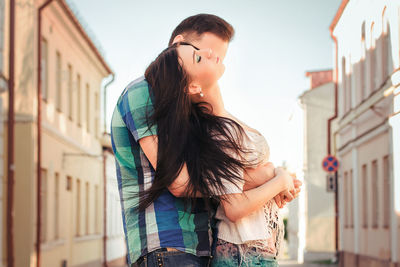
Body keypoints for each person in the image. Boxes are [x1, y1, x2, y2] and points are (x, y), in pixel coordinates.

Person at [111, 14, 300, 267]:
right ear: (178, 44)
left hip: (203, 244)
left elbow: (250, 154)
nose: (215, 61)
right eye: (206, 54)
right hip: (166, 244)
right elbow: (179, 182)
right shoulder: (143, 90)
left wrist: (273, 178)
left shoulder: (191, 107)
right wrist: (270, 179)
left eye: (220, 58)